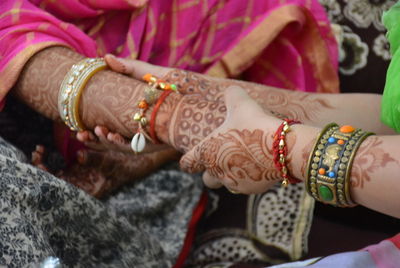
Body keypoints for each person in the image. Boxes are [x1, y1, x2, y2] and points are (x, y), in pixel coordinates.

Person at [0, 0, 343, 267]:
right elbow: (21, 43)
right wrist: (168, 114)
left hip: (146, 179)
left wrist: (121, 163)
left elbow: (278, 112)